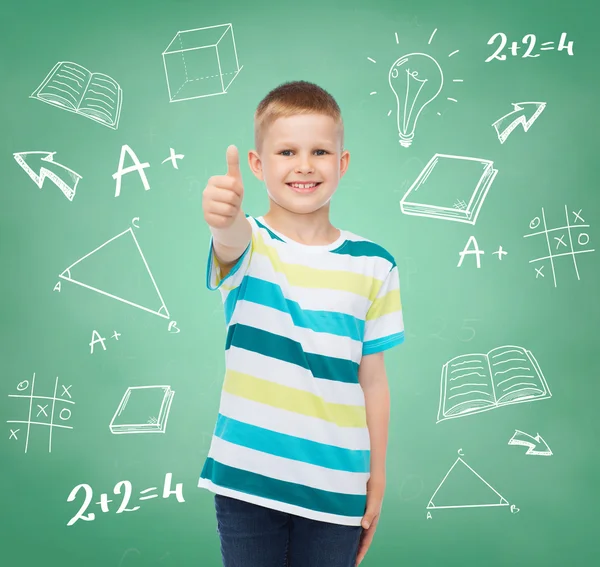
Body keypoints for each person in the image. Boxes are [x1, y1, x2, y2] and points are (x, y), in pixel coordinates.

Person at [199, 80, 405, 567]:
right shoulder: (250, 243)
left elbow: (372, 380)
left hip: (338, 485)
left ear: (342, 162)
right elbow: (228, 238)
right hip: (247, 478)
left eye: (320, 151)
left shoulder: (375, 264)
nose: (305, 165)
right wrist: (221, 216)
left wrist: (376, 476)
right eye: (287, 151)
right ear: (257, 164)